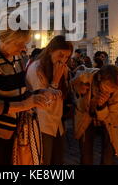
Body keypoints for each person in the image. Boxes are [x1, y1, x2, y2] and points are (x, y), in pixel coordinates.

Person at [0, 29, 58, 165]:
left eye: (25, 43)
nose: (24, 48)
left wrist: (39, 93)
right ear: (5, 39)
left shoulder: (16, 58)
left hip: (7, 133)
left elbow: (20, 92)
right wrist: (26, 105)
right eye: (20, 43)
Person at [26, 35, 72, 165]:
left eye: (67, 57)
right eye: (60, 55)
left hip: (57, 122)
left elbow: (63, 94)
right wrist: (55, 81)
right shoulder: (36, 68)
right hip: (41, 123)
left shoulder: (62, 68)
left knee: (58, 159)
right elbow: (42, 102)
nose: (63, 60)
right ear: (51, 50)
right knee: (43, 160)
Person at [71, 65, 118, 165]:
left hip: (110, 122)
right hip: (85, 119)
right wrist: (82, 94)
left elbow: (112, 114)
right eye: (107, 86)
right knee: (86, 154)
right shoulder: (85, 79)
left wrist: (102, 106)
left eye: (113, 88)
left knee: (108, 156)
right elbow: (80, 106)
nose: (109, 91)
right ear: (100, 78)